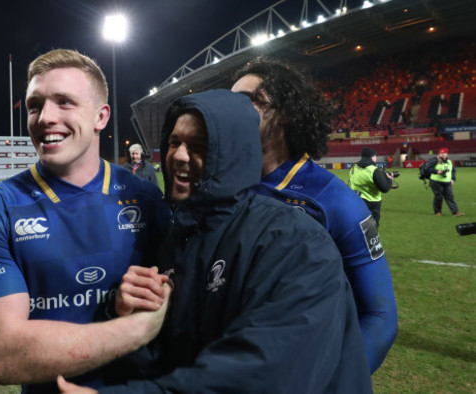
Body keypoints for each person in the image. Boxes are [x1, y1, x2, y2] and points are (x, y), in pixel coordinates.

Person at [58, 90, 372, 393]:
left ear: (232, 156)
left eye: (198, 146)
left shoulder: (293, 241)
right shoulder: (177, 238)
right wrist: (127, 319)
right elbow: (171, 362)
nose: (179, 155)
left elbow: (266, 374)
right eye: (174, 142)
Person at [0, 49, 171, 392]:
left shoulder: (148, 201)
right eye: (34, 105)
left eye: (64, 102)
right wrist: (140, 328)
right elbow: (2, 354)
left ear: (101, 117)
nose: (45, 117)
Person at [231, 57, 397, 374]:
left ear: (287, 114)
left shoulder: (334, 201)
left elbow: (380, 315)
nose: (234, 109)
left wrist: (337, 382)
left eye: (251, 101)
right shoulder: (221, 187)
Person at [349, 147, 394, 227]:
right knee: (372, 230)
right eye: (375, 156)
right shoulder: (374, 170)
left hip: (356, 201)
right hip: (372, 204)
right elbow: (385, 188)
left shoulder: (354, 167)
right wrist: (390, 180)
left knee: (358, 226)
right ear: (372, 157)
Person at [429, 147, 464, 216]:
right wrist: (436, 171)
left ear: (447, 154)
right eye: (441, 153)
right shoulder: (434, 160)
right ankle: (437, 211)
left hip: (447, 182)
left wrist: (453, 179)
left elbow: (453, 171)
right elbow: (428, 168)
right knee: (438, 197)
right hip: (436, 182)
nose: (443, 154)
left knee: (450, 197)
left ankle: (455, 212)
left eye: (444, 153)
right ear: (439, 154)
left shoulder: (449, 161)